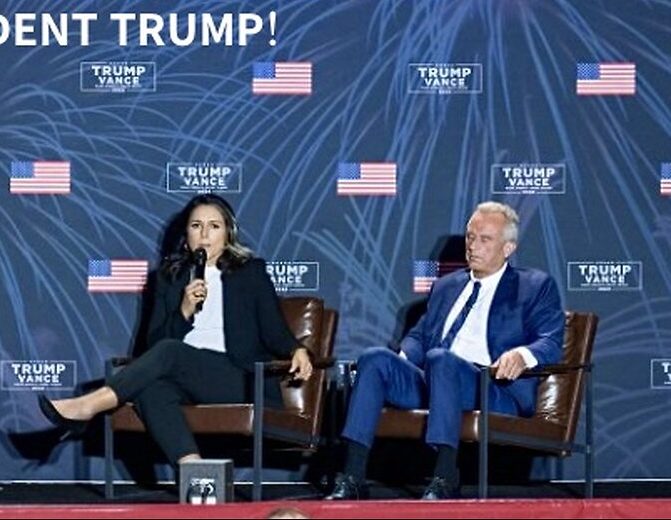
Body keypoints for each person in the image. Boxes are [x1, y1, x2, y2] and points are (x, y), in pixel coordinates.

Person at [38, 193, 314, 466]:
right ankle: (194, 470)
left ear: (228, 233)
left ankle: (89, 406)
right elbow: (153, 345)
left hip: (240, 380)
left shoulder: (250, 272)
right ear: (186, 234)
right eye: (196, 226)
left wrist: (297, 349)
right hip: (186, 375)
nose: (204, 234)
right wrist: (183, 310)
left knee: (171, 353)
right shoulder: (168, 278)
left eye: (214, 226)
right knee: (152, 388)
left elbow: (273, 330)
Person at [326, 202, 565, 500]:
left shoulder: (534, 286)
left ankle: (444, 475)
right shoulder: (446, 286)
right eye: (469, 237)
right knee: (375, 358)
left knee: (441, 360)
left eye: (484, 240)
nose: (473, 247)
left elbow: (551, 341)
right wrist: (401, 360)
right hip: (435, 380)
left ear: (508, 248)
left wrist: (521, 355)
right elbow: (419, 336)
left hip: (492, 387)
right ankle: (351, 476)